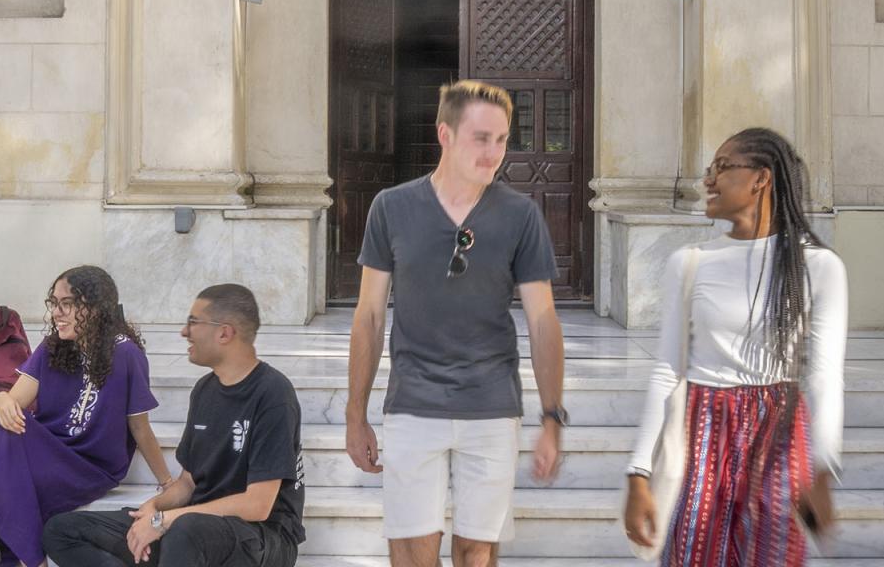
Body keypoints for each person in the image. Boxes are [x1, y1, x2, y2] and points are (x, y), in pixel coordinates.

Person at [345, 79, 567, 567]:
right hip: (413, 404)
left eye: (502, 139)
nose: (494, 152)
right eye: (481, 138)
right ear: (444, 134)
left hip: (491, 404)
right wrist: (354, 413)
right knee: (411, 552)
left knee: (477, 553)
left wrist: (552, 417)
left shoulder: (521, 215)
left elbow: (543, 320)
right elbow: (368, 316)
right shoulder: (391, 207)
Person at [622, 127, 848, 566]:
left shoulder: (819, 267)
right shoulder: (690, 263)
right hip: (702, 431)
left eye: (722, 168)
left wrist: (823, 467)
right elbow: (668, 369)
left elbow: (823, 374)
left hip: (780, 433)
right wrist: (639, 473)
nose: (709, 180)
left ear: (761, 178)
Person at [43, 283, 305, 567]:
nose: (184, 332)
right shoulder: (205, 390)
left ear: (224, 333)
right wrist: (153, 508)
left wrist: (165, 519)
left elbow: (258, 505)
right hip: (194, 530)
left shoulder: (273, 393)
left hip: (262, 539)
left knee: (186, 530)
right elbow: (188, 482)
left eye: (193, 322)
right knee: (62, 530)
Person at [0, 265, 173, 567]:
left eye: (67, 304)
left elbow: (139, 426)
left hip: (91, 466)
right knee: (3, 421)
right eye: (54, 303)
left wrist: (167, 481)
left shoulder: (126, 354)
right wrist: (2, 398)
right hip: (49, 453)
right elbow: (14, 401)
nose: (57, 313)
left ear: (95, 308)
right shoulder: (51, 348)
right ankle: (28, 557)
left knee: (11, 470)